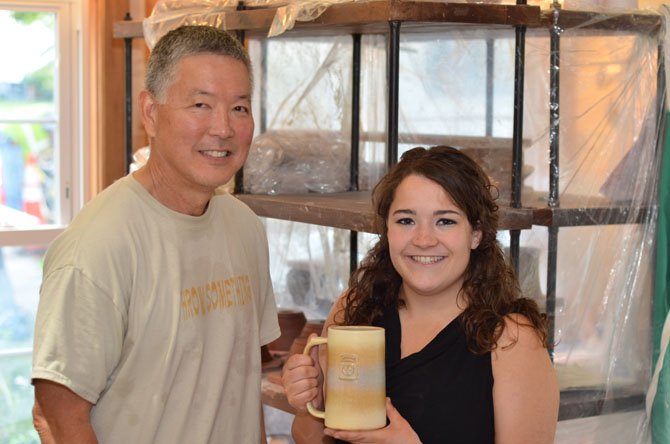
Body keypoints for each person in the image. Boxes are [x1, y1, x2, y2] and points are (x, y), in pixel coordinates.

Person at [31, 25, 280, 444]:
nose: (222, 128)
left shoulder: (244, 228)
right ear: (150, 112)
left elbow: (239, 387)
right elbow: (57, 415)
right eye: (200, 104)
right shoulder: (99, 246)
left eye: (239, 108)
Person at [282, 146, 559, 444]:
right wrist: (309, 405)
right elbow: (312, 438)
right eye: (405, 221)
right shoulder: (354, 309)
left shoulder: (511, 340)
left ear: (476, 234)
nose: (424, 240)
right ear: (386, 229)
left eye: (445, 221)